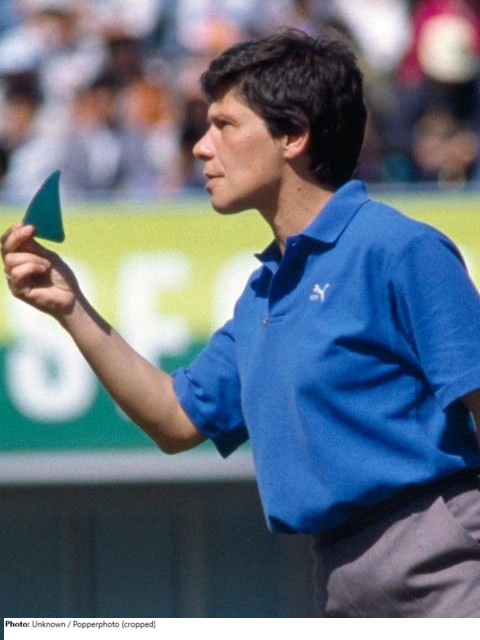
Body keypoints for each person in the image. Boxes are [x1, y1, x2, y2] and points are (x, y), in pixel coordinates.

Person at [2, 28, 480, 618]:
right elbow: (175, 421)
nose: (201, 147)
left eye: (224, 125)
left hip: (443, 562)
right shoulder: (263, 293)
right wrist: (71, 307)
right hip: (337, 579)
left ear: (294, 135)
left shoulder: (398, 248)